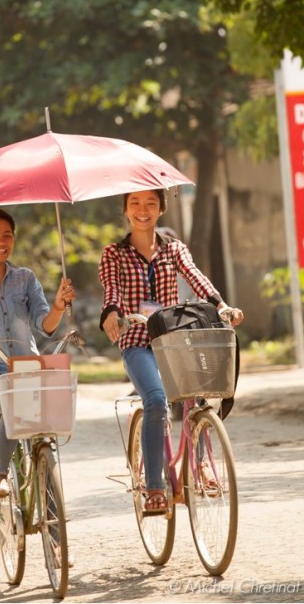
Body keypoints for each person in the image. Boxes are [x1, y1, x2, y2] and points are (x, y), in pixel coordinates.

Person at [99, 189, 244, 513]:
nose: (142, 209)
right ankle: (154, 488)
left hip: (174, 340)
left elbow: (197, 278)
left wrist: (221, 305)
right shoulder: (114, 253)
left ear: (161, 209)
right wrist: (111, 313)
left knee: (202, 393)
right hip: (137, 342)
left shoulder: (174, 249)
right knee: (155, 401)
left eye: (151, 203)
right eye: (134, 203)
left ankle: (203, 464)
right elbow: (111, 289)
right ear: (125, 209)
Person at [0, 207, 76, 497]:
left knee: (41, 405)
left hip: (27, 372)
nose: (1, 241)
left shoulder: (26, 279)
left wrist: (58, 305)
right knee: (16, 401)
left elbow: (44, 325)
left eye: (7, 235)